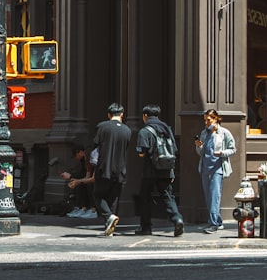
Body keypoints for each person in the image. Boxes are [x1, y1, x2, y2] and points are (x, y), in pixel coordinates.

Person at [135, 105, 185, 237]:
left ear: (145, 115)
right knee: (168, 196)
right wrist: (172, 171)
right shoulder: (167, 129)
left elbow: (141, 153)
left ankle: (146, 227)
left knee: (145, 197)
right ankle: (177, 219)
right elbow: (174, 150)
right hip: (166, 170)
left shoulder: (144, 131)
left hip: (150, 170)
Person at [195, 108, 237, 233]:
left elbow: (233, 149)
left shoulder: (224, 133)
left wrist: (222, 153)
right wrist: (198, 146)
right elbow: (201, 152)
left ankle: (213, 224)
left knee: (214, 196)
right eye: (205, 120)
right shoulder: (204, 133)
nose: (206, 123)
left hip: (217, 168)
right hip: (205, 168)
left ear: (216, 119)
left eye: (208, 120)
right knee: (209, 197)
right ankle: (218, 222)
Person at [93, 102, 131, 236]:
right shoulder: (127, 130)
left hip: (105, 167)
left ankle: (109, 217)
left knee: (98, 195)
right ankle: (109, 226)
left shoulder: (102, 127)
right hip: (120, 169)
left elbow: (96, 145)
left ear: (109, 115)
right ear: (122, 114)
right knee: (113, 198)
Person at [52, 143, 96, 218]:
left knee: (85, 184)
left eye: (76, 155)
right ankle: (83, 208)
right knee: (79, 184)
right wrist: (75, 179)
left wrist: (75, 179)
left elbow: (90, 176)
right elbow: (85, 175)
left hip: (96, 179)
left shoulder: (88, 157)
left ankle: (92, 210)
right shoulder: (84, 160)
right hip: (92, 178)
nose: (76, 158)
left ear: (80, 152)